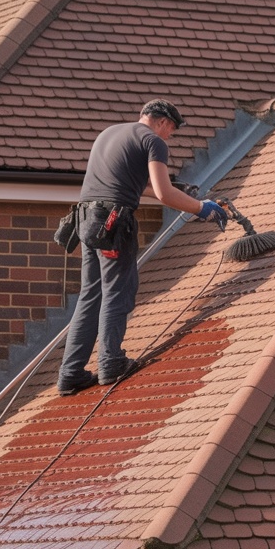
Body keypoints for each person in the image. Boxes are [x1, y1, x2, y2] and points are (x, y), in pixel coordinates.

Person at [57, 99, 227, 395]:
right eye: (171, 130)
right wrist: (202, 208)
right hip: (113, 224)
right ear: (162, 122)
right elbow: (163, 194)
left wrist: (179, 190)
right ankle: (110, 363)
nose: (169, 136)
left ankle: (70, 374)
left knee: (90, 294)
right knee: (117, 290)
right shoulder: (153, 141)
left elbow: (131, 183)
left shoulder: (109, 133)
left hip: (86, 219)